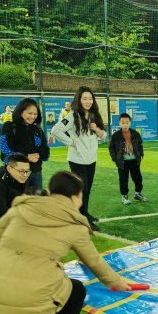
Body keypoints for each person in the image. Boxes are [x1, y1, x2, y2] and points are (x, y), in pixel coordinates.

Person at [0, 171, 131, 314]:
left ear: (50, 192)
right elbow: (94, 262)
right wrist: (117, 283)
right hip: (22, 293)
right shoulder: (75, 226)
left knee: (67, 285)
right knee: (76, 290)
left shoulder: (21, 208)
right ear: (75, 198)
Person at [51, 86, 106, 231]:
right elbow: (55, 130)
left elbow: (104, 137)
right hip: (77, 160)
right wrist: (71, 142)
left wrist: (97, 130)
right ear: (79, 100)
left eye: (90, 98)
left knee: (88, 189)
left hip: (91, 159)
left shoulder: (94, 115)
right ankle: (81, 219)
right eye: (84, 98)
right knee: (81, 189)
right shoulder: (72, 116)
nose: (88, 101)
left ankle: (84, 213)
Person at [0, 98, 50, 189]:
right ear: (21, 111)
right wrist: (26, 157)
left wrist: (39, 155)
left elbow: (45, 151)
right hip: (16, 173)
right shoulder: (9, 127)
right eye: (29, 113)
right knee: (17, 197)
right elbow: (5, 149)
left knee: (37, 197)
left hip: (36, 172)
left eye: (35, 114)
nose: (32, 117)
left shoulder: (37, 130)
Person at [109, 112, 147, 205]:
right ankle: (124, 196)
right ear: (119, 123)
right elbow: (111, 148)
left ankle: (137, 194)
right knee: (123, 179)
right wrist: (115, 159)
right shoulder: (116, 135)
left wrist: (141, 154)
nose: (125, 125)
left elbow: (140, 144)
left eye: (127, 122)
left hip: (134, 160)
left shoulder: (135, 133)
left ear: (130, 123)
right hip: (122, 162)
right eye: (123, 123)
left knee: (138, 178)